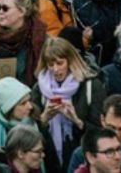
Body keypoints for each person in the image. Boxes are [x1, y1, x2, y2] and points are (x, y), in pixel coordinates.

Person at [31, 37, 106, 169]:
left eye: (60, 63)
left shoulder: (92, 86)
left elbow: (100, 131)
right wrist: (44, 119)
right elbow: (29, 133)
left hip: (82, 157)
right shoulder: (39, 89)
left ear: (70, 61)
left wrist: (77, 120)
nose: (55, 69)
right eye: (50, 65)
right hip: (48, 159)